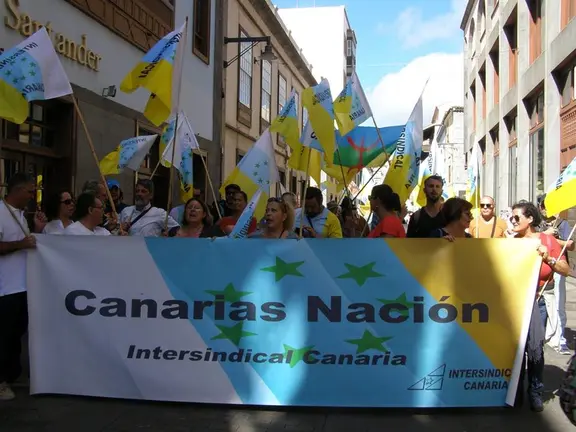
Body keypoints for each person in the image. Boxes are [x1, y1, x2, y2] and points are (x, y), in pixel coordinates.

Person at [509, 201, 571, 412]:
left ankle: (535, 390)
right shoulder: (510, 242)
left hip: (538, 302)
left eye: (517, 217)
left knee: (534, 348)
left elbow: (564, 269)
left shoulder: (547, 240)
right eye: (512, 217)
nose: (513, 221)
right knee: (514, 349)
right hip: (515, 304)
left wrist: (549, 257)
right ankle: (513, 393)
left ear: (530, 219)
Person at [0, 173, 38, 401]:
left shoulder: (21, 216)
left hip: (20, 286)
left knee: (15, 335)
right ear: (18, 190)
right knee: (3, 336)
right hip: (4, 287)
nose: (32, 196)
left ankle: (11, 376)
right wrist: (20, 244)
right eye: (30, 191)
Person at [537, 194, 575, 355]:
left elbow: (571, 245)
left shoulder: (563, 223)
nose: (545, 210)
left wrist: (551, 238)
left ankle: (559, 339)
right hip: (541, 269)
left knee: (559, 302)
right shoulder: (537, 224)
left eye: (548, 206)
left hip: (558, 265)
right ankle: (546, 334)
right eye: (543, 206)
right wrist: (546, 233)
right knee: (542, 304)